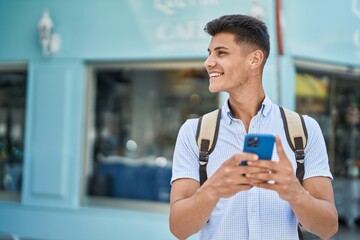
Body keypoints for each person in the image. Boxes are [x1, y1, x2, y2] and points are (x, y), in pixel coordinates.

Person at [169, 14, 338, 240]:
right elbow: (179, 228)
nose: (208, 62)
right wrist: (214, 188)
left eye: (221, 53)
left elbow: (328, 228)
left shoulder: (304, 130)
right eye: (209, 53)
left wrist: (294, 191)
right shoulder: (194, 132)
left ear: (254, 60)